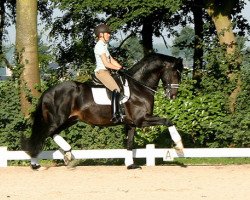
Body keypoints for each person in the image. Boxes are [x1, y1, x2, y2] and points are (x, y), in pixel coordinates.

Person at [94, 24, 124, 123]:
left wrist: (120, 67)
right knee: (116, 89)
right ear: (101, 35)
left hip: (107, 71)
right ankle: (115, 115)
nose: (109, 35)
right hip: (102, 72)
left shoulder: (104, 45)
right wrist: (117, 69)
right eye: (107, 33)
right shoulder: (99, 46)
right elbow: (106, 64)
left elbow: (111, 60)